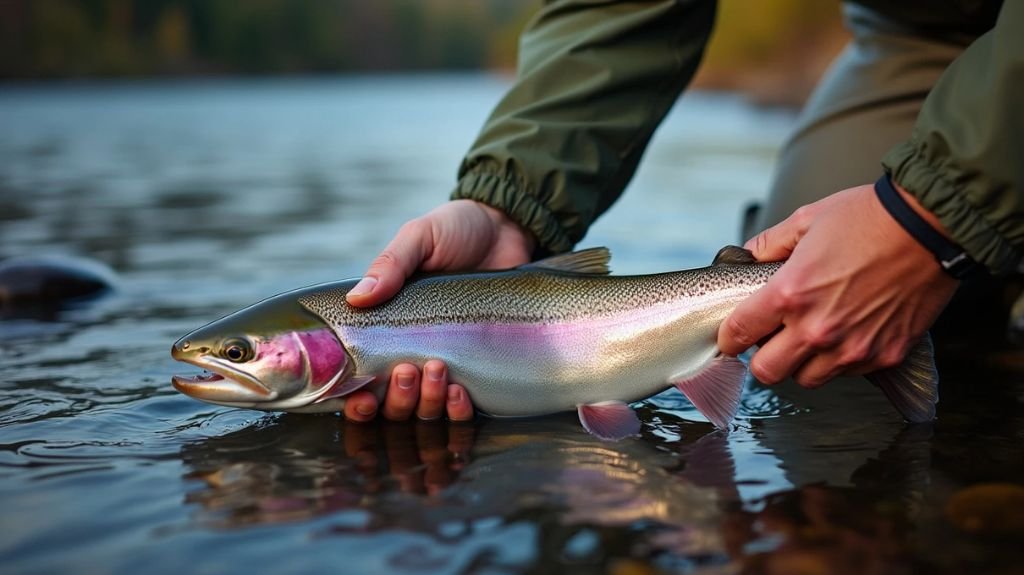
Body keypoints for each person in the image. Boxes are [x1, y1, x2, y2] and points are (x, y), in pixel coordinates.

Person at [338, 1, 1022, 423]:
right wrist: (507, 206)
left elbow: (930, 214)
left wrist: (930, 221)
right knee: (813, 306)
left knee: (909, 242)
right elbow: (621, 10)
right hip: (922, 22)